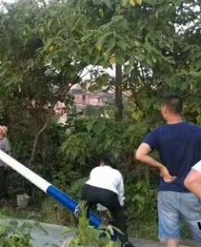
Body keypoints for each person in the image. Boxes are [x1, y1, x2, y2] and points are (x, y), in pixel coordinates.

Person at [135, 94, 201, 247]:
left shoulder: (158, 133)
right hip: (192, 193)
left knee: (171, 237)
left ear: (165, 110)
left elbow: (139, 154)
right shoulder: (197, 132)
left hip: (167, 193)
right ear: (181, 110)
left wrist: (161, 167)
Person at [81, 155, 133, 247]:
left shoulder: (95, 169)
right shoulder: (117, 173)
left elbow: (96, 186)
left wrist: (103, 211)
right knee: (119, 218)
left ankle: (81, 237)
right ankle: (125, 243)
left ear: (102, 163)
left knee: (82, 213)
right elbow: (120, 195)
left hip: (88, 190)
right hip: (108, 193)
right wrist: (119, 211)